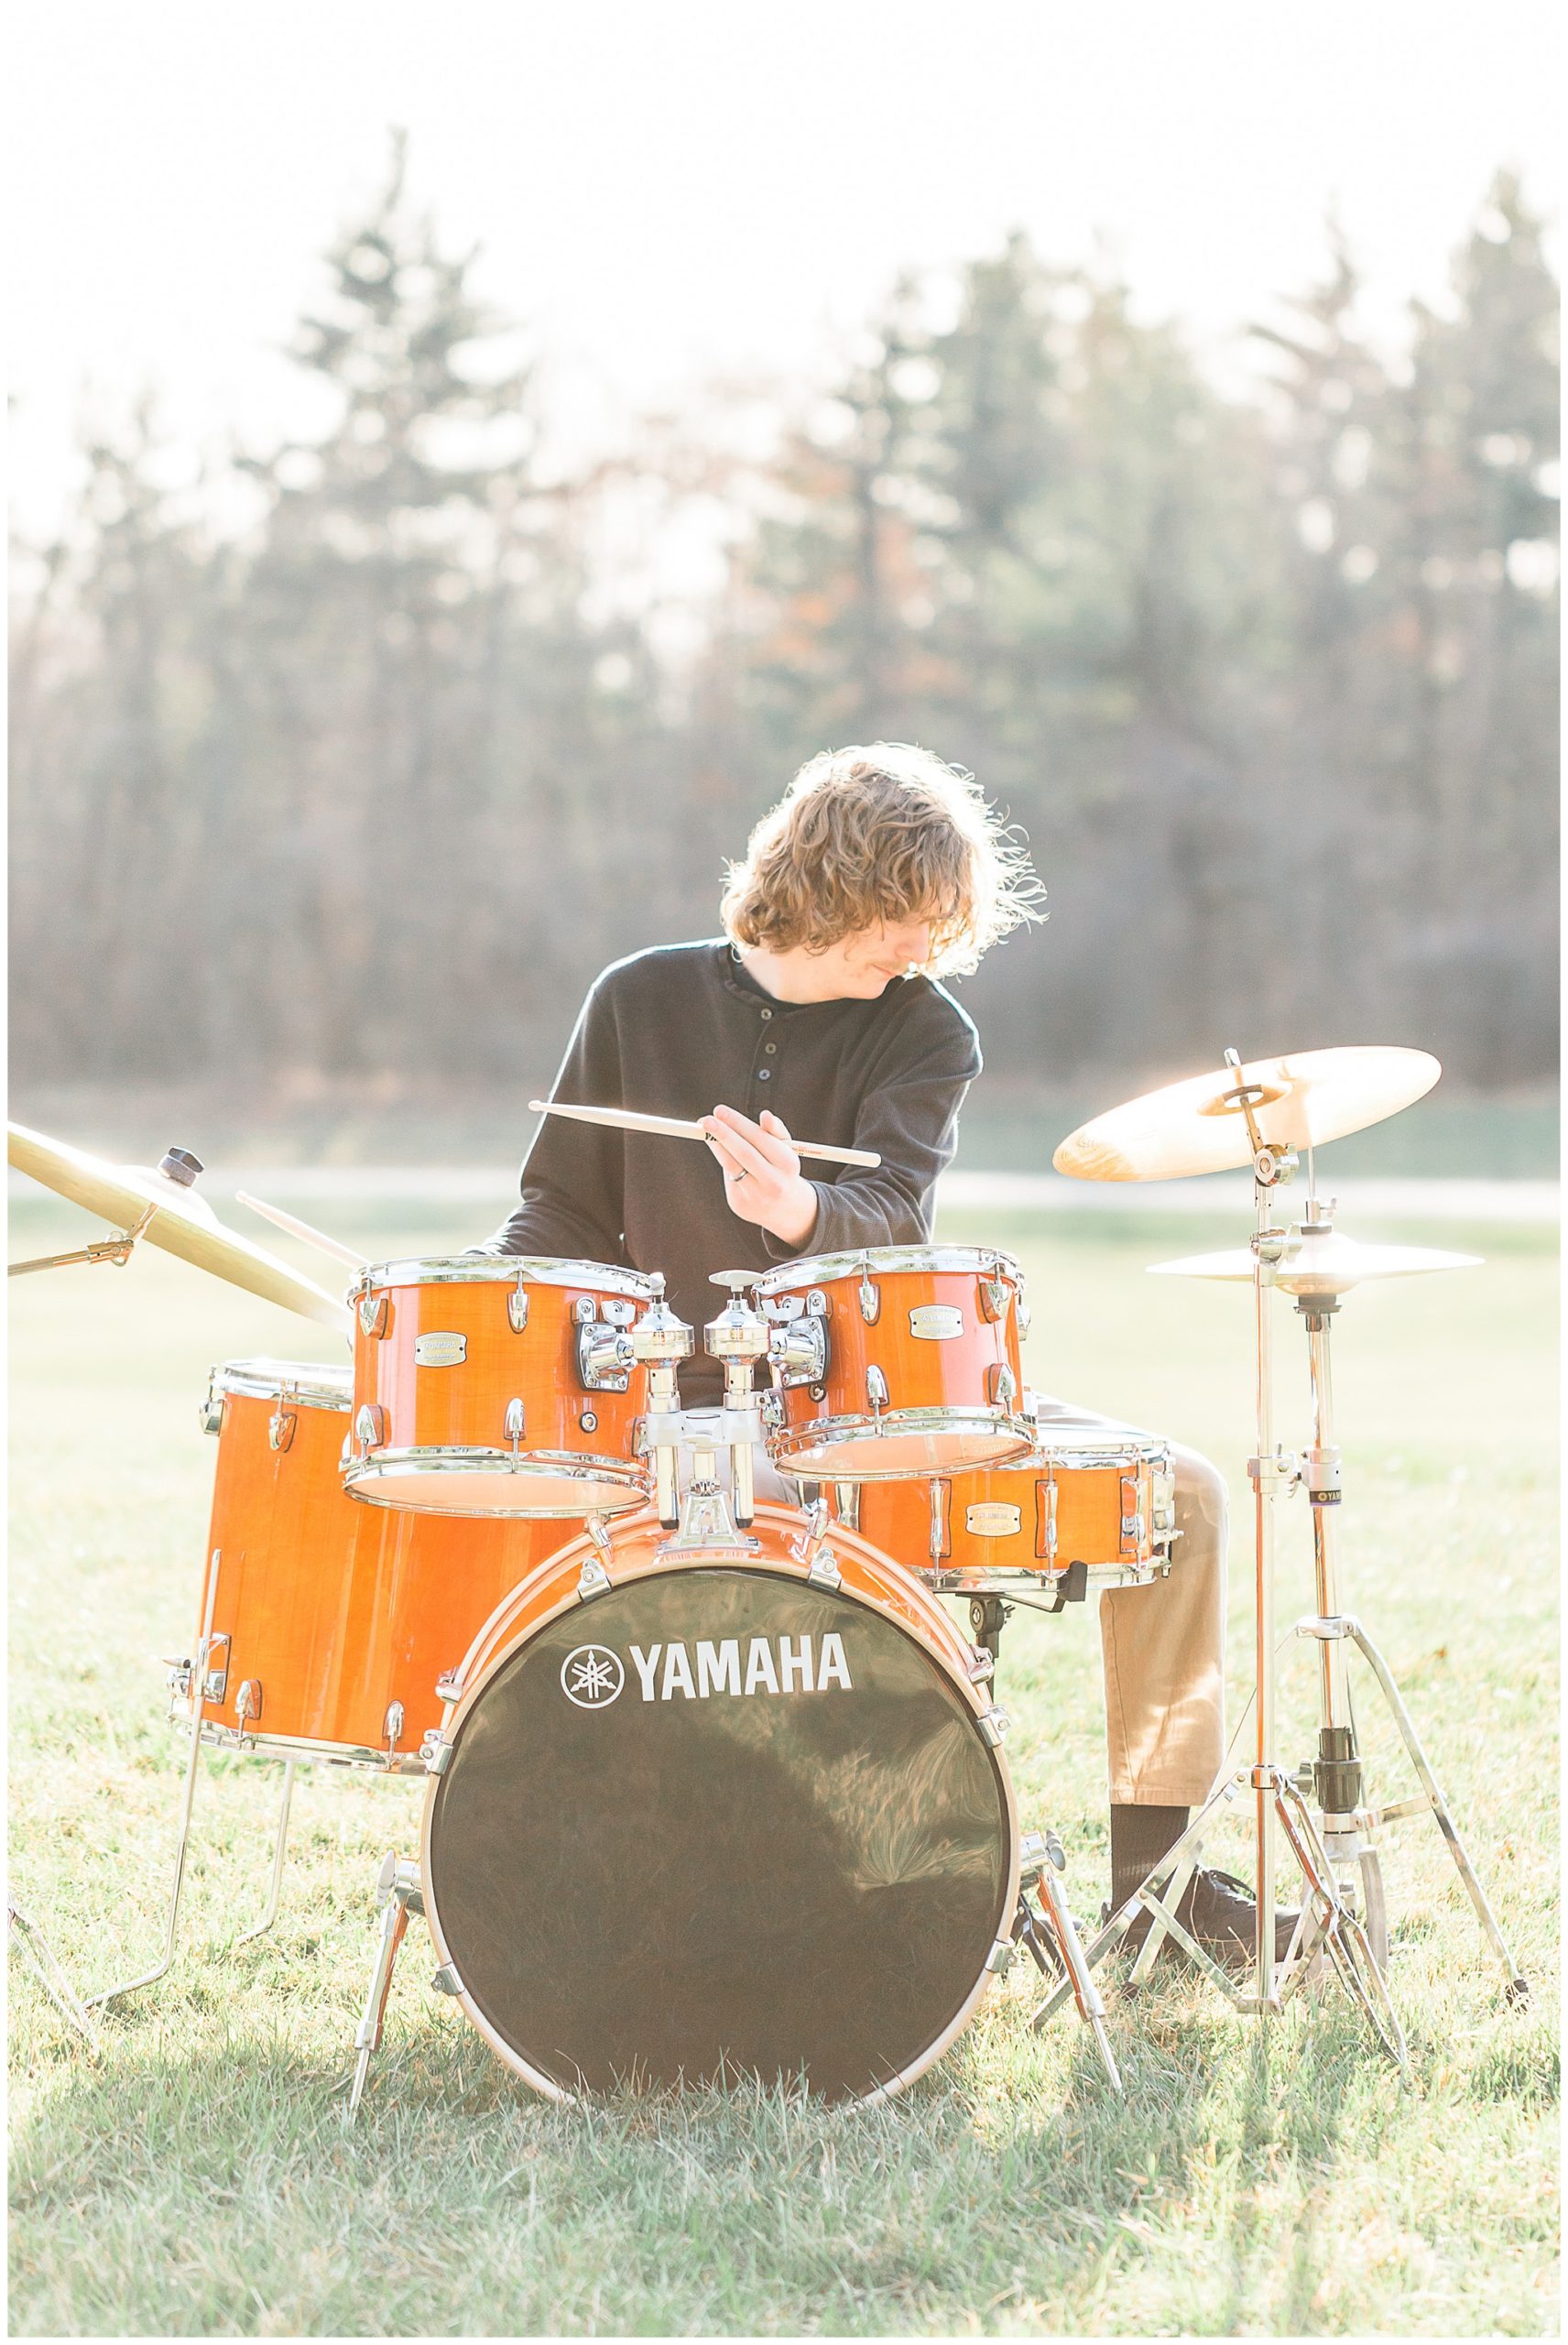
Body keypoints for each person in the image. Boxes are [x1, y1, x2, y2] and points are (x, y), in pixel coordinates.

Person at [475, 742, 1291, 1963]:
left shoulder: (927, 1033)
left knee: (1181, 1498)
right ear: (827, 881)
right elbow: (561, 1212)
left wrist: (799, 1215)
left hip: (883, 1403)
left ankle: (1154, 1890)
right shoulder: (635, 1000)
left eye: (937, 929)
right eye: (902, 920)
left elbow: (896, 1219)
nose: (918, 950)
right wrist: (495, 1295)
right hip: (672, 1419)